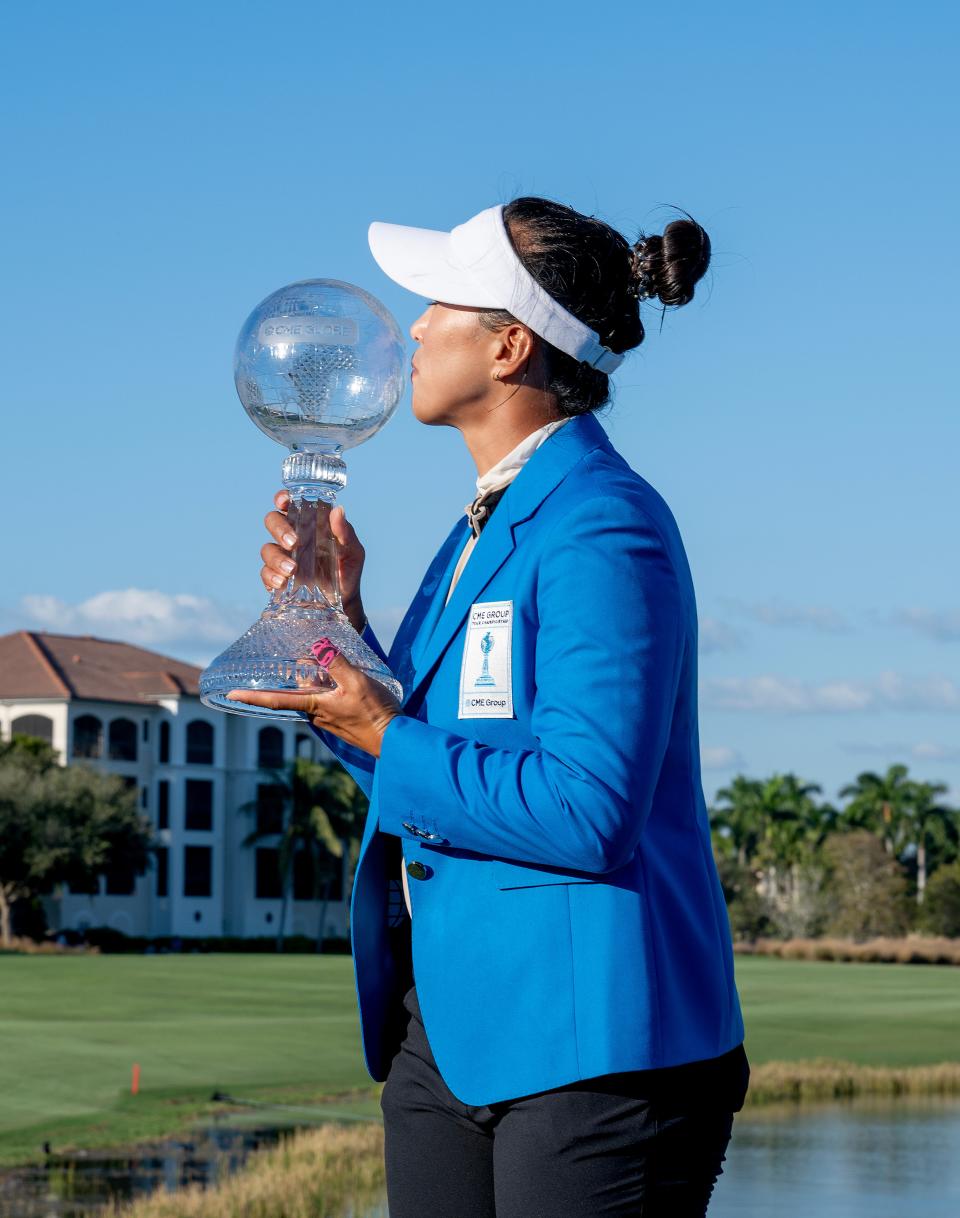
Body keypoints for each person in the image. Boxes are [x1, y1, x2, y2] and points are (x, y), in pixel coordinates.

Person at [236, 196, 749, 1217]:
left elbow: (586, 810)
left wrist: (380, 726)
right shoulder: (487, 520)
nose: (415, 329)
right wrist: (337, 631)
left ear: (510, 345)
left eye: (439, 307)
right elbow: (428, 761)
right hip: (451, 1028)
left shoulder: (605, 526)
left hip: (594, 1049)